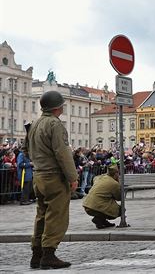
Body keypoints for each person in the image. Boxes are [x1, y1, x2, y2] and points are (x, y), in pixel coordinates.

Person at [24, 90, 78, 269]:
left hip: (39, 175)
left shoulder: (34, 124)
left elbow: (26, 150)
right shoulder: (55, 125)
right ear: (57, 107)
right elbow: (63, 153)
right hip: (54, 177)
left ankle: (36, 254)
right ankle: (49, 254)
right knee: (56, 215)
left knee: (41, 215)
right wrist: (72, 177)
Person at [82, 165, 121, 229]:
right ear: (116, 174)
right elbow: (119, 198)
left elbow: (94, 178)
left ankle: (102, 221)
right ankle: (99, 219)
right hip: (96, 207)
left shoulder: (98, 178)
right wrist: (118, 182)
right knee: (121, 210)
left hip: (87, 205)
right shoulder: (114, 183)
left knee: (105, 202)